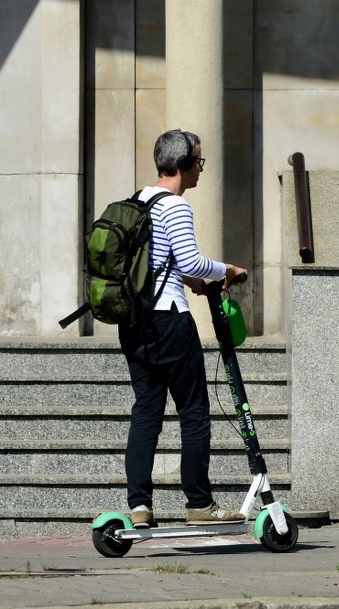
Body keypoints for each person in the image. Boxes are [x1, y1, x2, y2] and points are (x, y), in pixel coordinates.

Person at [119, 128, 248, 528]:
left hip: (134, 322)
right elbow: (190, 262)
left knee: (146, 412)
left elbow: (160, 261)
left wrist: (191, 280)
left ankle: (139, 506)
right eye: (199, 161)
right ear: (183, 165)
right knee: (193, 414)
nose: (201, 169)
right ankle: (199, 503)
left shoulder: (136, 201)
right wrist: (227, 269)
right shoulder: (175, 206)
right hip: (169, 321)